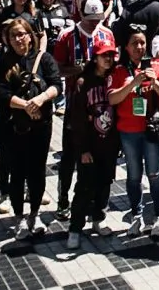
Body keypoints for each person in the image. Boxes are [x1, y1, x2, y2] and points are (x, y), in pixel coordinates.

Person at [0, 19, 62, 240]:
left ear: (31, 36)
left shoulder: (44, 58)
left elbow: (56, 84)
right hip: (13, 126)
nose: (19, 39)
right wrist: (26, 106)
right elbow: (0, 93)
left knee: (37, 170)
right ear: (8, 39)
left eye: (22, 34)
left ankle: (35, 213)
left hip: (41, 124)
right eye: (14, 36)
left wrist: (40, 99)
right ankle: (19, 217)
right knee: (17, 172)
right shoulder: (3, 63)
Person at [108, 26, 159, 240]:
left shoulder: (157, 65)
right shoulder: (118, 70)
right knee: (134, 176)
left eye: (142, 42)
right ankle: (137, 216)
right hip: (128, 131)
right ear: (125, 47)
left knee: (155, 173)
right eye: (134, 43)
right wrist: (133, 84)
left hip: (153, 129)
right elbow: (112, 99)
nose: (139, 47)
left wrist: (154, 83)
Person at [65, 33, 119, 248]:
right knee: (84, 187)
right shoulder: (83, 82)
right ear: (95, 57)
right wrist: (83, 149)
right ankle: (75, 228)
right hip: (90, 145)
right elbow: (77, 119)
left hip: (109, 144)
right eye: (103, 55)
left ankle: (98, 219)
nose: (108, 59)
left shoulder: (114, 78)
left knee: (104, 183)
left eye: (111, 55)